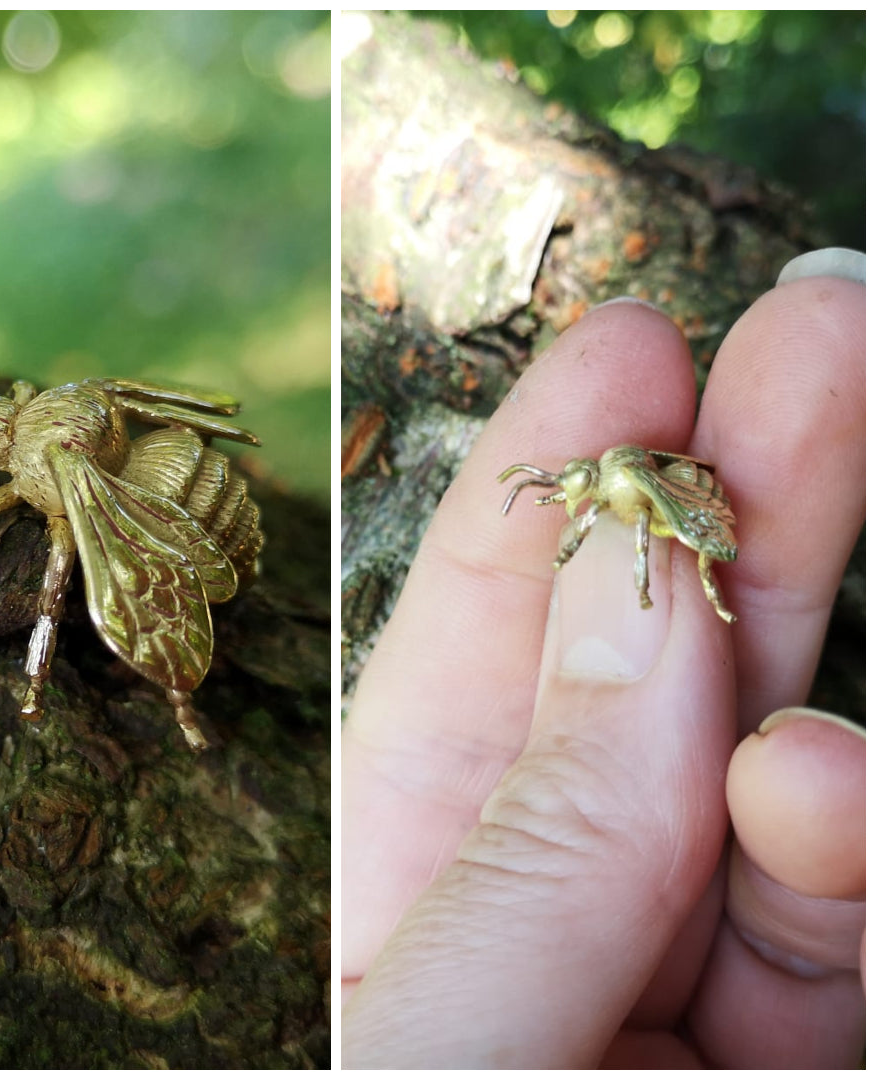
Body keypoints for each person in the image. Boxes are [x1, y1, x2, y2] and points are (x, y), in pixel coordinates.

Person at [341, 249, 865, 1068]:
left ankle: (691, 599)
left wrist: (625, 593)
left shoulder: (625, 489)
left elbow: (651, 526)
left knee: (659, 566)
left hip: (682, 519)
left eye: (574, 490)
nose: (570, 500)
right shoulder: (603, 482)